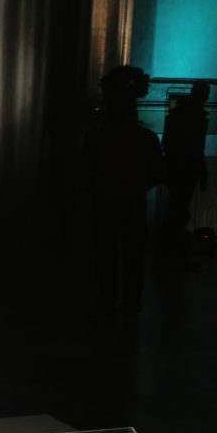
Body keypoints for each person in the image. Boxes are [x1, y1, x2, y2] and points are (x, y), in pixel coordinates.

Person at [81, 66, 165, 319]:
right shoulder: (147, 138)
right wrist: (134, 187)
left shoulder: (96, 137)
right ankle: (130, 301)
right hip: (133, 203)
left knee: (106, 254)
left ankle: (107, 298)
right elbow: (156, 174)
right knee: (133, 257)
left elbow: (86, 173)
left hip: (105, 203)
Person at [158, 80, 210, 269]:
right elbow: (197, 148)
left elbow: (169, 142)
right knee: (179, 212)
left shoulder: (178, 114)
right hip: (186, 169)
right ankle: (173, 255)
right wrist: (202, 173)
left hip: (176, 168)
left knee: (177, 211)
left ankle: (168, 254)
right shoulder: (198, 117)